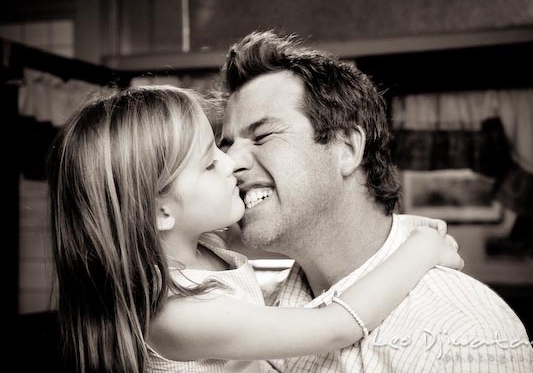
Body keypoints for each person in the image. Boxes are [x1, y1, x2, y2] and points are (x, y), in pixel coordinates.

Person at [47, 85, 463, 373]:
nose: (231, 163)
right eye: (210, 163)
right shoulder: (175, 316)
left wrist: (397, 229)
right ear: (161, 213)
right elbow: (335, 326)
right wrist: (421, 250)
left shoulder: (203, 251)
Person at [218, 31, 533, 372]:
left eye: (263, 135)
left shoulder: (462, 333)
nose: (229, 162)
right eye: (226, 146)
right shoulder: (248, 318)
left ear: (347, 148)